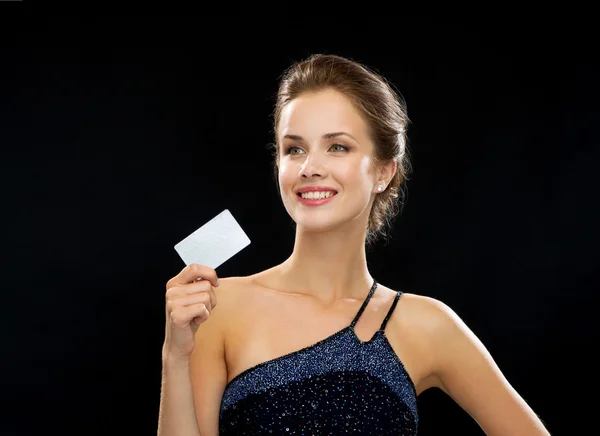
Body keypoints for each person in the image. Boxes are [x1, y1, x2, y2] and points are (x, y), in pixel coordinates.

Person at [157, 54, 550, 435]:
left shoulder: (426, 325)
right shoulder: (218, 307)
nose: (309, 167)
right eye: (294, 148)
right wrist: (175, 356)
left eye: (337, 147)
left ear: (382, 171)